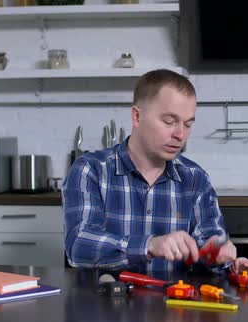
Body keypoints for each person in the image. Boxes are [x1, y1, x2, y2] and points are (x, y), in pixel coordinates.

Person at [62, 69, 236, 272]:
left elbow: (211, 253)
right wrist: (150, 245)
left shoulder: (196, 179)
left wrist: (220, 257)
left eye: (188, 124)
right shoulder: (90, 170)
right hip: (104, 302)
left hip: (174, 303)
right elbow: (78, 247)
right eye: (169, 122)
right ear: (137, 116)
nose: (180, 134)